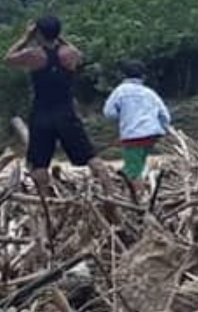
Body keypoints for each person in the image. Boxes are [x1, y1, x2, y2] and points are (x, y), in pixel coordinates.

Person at [3, 16, 115, 199]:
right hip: (66, 113)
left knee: (39, 165)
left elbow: (7, 59)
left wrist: (25, 37)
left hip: (41, 114)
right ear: (58, 32)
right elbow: (79, 55)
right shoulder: (69, 54)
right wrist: (60, 38)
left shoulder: (33, 55)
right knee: (91, 157)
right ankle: (110, 194)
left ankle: (46, 204)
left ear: (38, 33)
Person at [102, 60, 171, 191]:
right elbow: (164, 115)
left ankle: (139, 198)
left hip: (133, 135)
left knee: (133, 170)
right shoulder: (149, 92)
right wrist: (165, 128)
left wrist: (123, 117)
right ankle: (132, 187)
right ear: (143, 76)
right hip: (152, 134)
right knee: (137, 164)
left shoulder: (120, 91)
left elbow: (109, 113)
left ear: (123, 76)